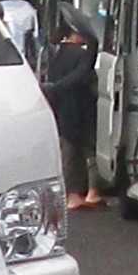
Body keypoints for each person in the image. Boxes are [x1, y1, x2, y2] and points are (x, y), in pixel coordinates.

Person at [40, 18, 101, 210]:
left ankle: (71, 194)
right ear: (75, 34)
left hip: (62, 108)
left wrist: (55, 90)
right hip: (83, 107)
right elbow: (86, 76)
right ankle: (92, 192)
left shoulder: (55, 55)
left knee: (68, 151)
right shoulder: (81, 55)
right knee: (89, 151)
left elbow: (50, 78)